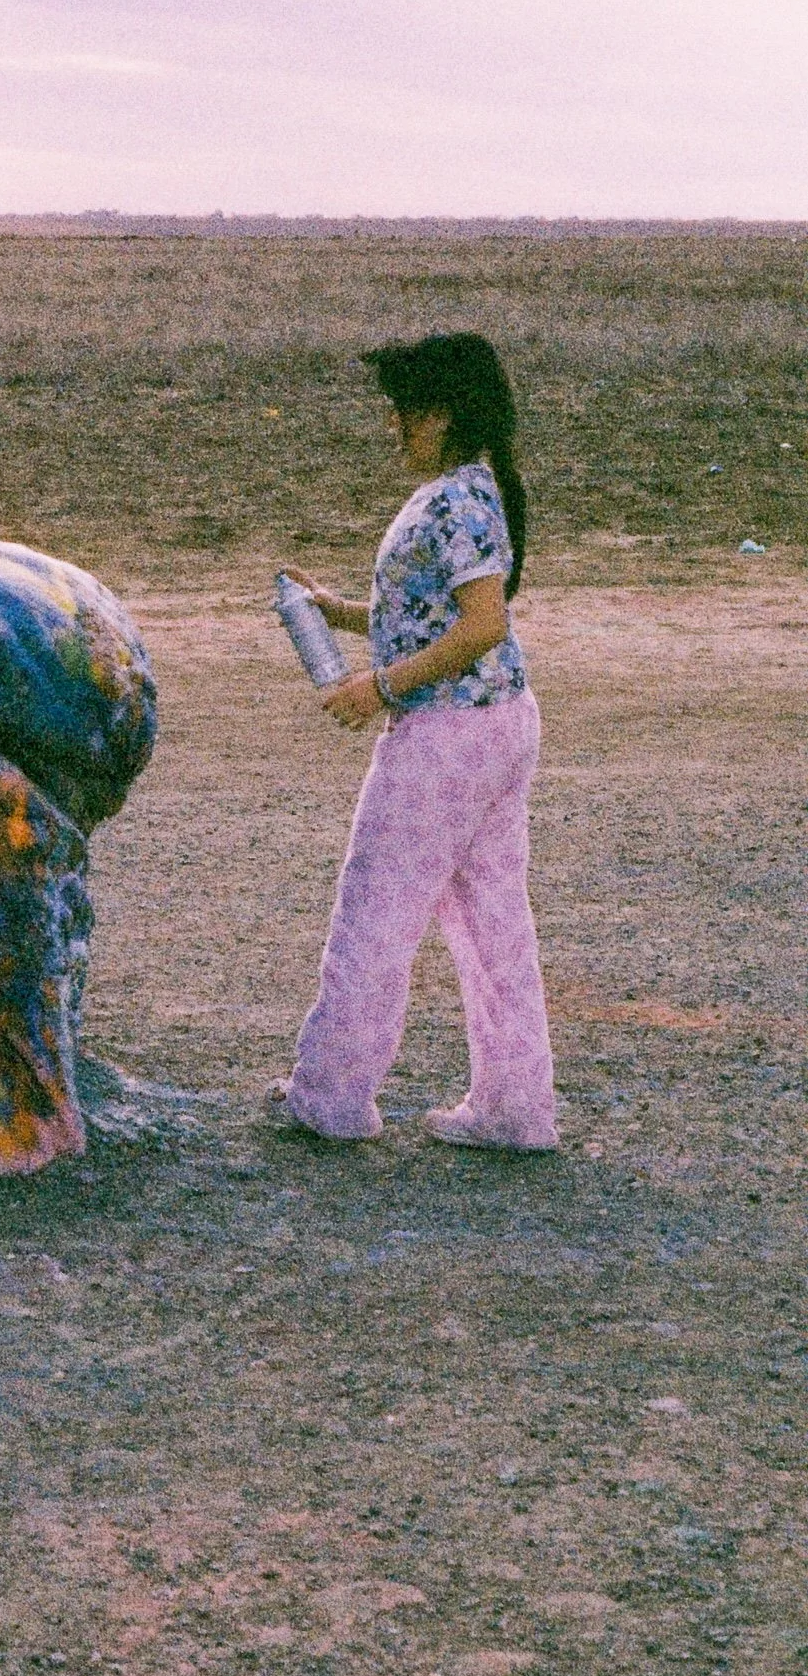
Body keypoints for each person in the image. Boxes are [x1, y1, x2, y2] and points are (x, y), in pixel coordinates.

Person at [274, 332, 557, 1152]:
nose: (395, 427)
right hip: (498, 726)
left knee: (376, 907)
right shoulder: (477, 492)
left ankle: (330, 1094)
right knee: (491, 916)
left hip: (444, 737)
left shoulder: (451, 502)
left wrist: (379, 686)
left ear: (444, 413)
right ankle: (514, 1106)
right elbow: (443, 615)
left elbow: (480, 624)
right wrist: (338, 612)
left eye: (406, 411)